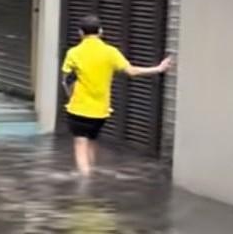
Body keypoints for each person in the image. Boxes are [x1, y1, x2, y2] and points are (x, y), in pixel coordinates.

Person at [61, 13, 171, 176]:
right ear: (100, 31)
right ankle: (91, 175)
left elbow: (66, 80)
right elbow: (132, 71)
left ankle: (84, 185)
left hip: (78, 108)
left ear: (80, 33)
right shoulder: (111, 52)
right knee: (91, 142)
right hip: (101, 111)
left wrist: (71, 96)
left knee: (80, 144)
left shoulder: (73, 53)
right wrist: (158, 68)